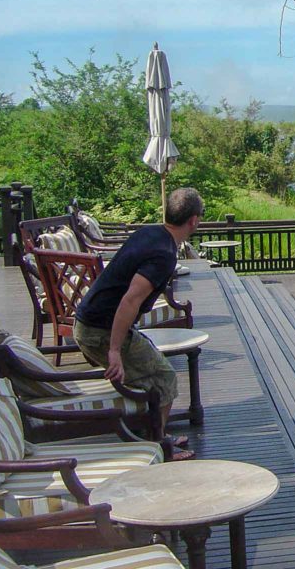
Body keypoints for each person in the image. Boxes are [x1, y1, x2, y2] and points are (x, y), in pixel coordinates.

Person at [73, 187, 203, 457]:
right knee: (164, 378)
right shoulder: (164, 254)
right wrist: (114, 351)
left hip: (91, 322)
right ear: (193, 220)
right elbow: (129, 300)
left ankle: (156, 433)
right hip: (99, 331)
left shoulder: (150, 233)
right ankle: (157, 448)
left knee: (153, 371)